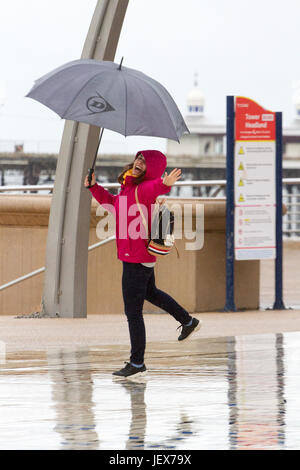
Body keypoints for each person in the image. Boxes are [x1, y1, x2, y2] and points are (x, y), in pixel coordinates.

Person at [85, 150, 202, 379]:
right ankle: (188, 321)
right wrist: (93, 187)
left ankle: (137, 363)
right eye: (138, 158)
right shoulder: (128, 188)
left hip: (136, 258)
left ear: (152, 170)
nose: (139, 162)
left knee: (133, 312)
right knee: (152, 293)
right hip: (138, 256)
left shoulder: (143, 189)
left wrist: (164, 183)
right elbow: (112, 204)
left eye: (145, 162)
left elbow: (155, 188)